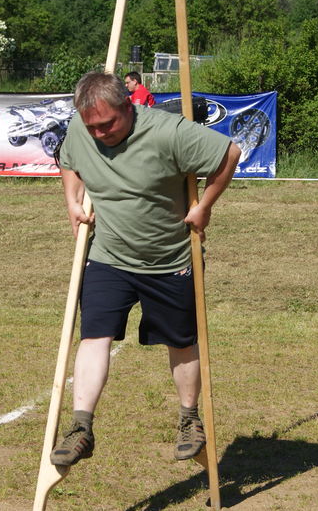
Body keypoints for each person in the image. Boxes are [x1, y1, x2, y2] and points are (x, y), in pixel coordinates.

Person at [50, 72, 240, 467]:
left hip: (170, 260)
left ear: (128, 105)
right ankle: (81, 427)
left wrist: (205, 206)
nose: (99, 133)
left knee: (181, 341)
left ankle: (189, 419)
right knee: (93, 337)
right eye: (91, 126)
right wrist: (72, 200)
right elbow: (68, 158)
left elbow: (229, 154)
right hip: (108, 256)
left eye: (107, 124)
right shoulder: (81, 129)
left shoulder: (169, 132)